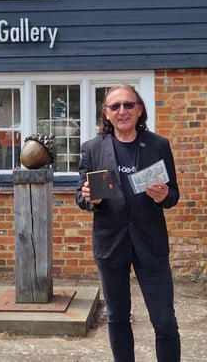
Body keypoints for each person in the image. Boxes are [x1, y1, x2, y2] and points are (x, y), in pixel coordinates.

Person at [76, 84, 181, 362]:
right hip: (111, 244)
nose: (122, 111)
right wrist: (90, 199)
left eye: (128, 105)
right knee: (118, 317)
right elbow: (81, 195)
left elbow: (173, 194)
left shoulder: (158, 145)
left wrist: (163, 195)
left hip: (151, 243)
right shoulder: (92, 149)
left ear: (140, 109)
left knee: (165, 321)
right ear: (106, 113)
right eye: (115, 106)